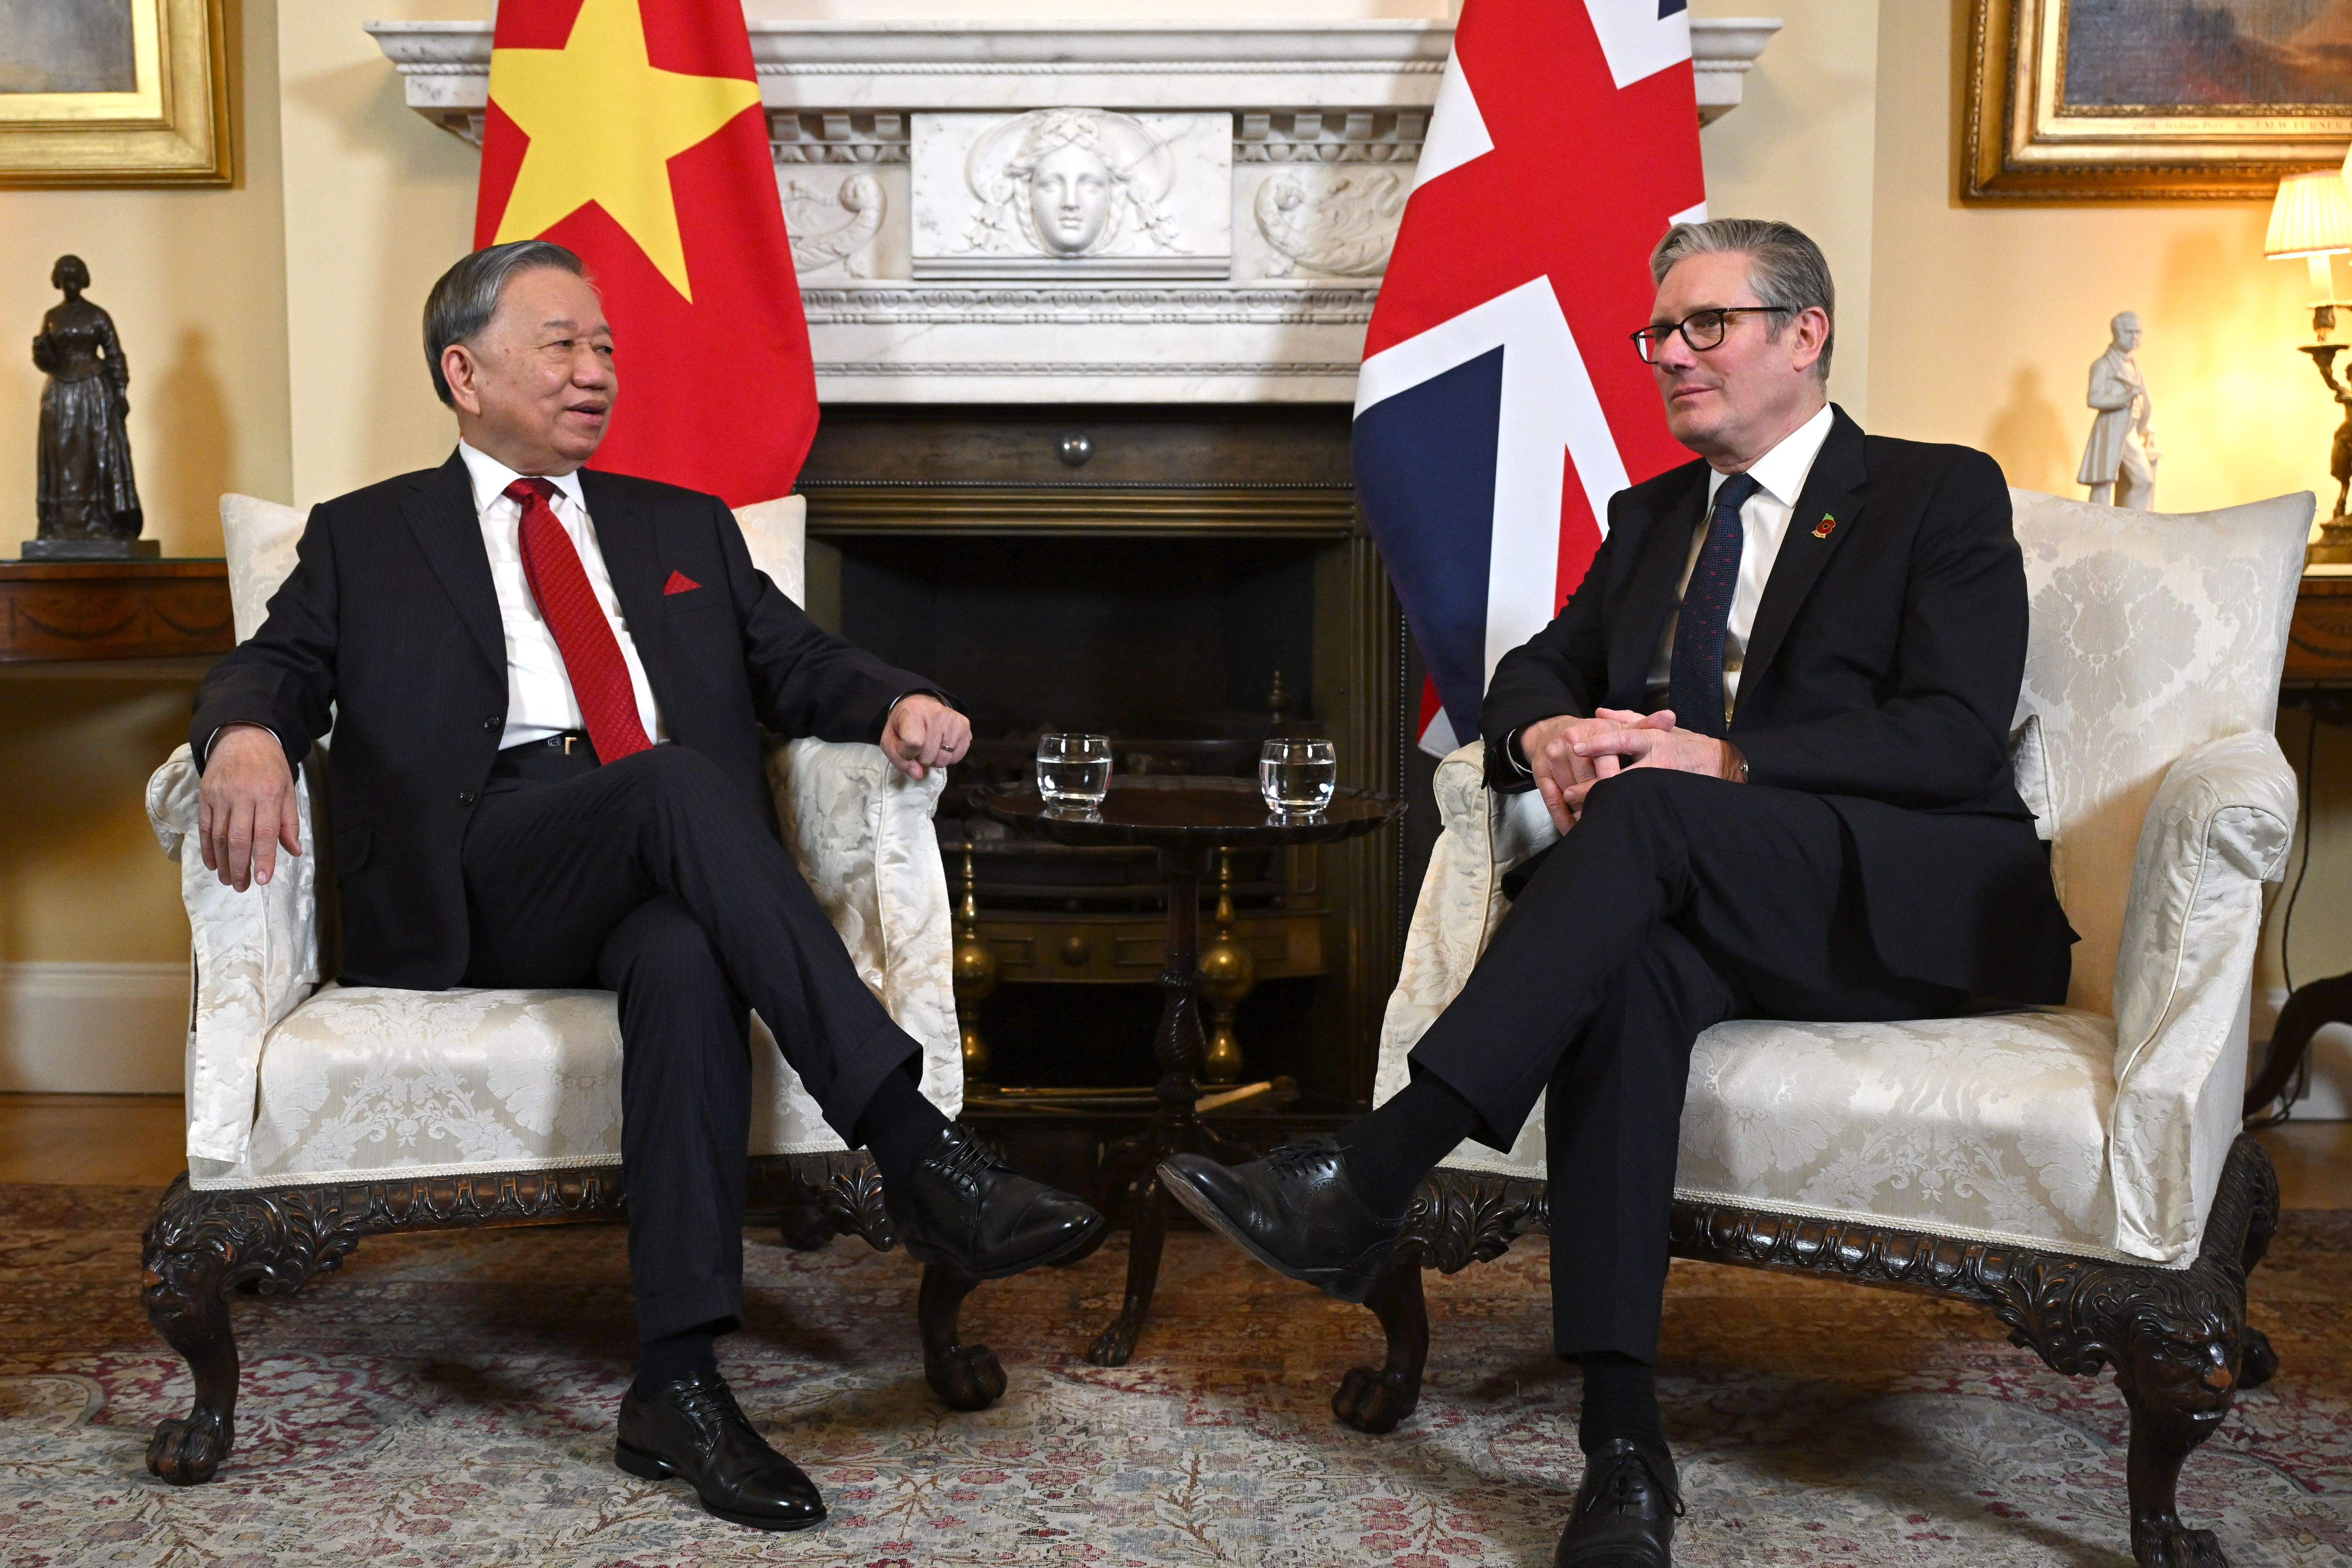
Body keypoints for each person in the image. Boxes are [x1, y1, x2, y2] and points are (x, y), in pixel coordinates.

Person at [1163, 218, 2074, 1568]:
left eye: (1705, 325)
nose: (1670, 356)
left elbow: (1950, 734)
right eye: (1658, 332)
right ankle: (1622, 1442)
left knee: (1649, 807)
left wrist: (1725, 754)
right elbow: (1538, 663)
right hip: (1706, 903)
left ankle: (1376, 1162)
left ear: (1804, 332)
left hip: (1899, 900)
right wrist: (1538, 736)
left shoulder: (1934, 493)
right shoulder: (1656, 516)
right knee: (1624, 977)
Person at [189, 240, 1104, 1534]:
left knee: (684, 952)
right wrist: (242, 735)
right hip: (484, 861)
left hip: (655, 866)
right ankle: (916, 1148)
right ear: (464, 370)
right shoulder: (367, 534)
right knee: (678, 785)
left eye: (605, 346)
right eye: (561, 342)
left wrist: (897, 700)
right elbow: (272, 666)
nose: (596, 369)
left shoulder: (679, 526)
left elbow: (794, 658)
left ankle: (674, 1382)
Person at [2078, 310, 2158, 509]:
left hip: (2130, 432)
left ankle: (2131, 525)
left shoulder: (2134, 364)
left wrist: (2146, 426)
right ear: (2117, 333)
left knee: (2144, 480)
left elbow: (2142, 401)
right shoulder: (2103, 365)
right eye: (2130, 332)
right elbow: (2093, 398)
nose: (2135, 338)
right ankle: (2097, 527)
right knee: (2103, 483)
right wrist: (2123, 398)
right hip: (2110, 430)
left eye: (2138, 332)